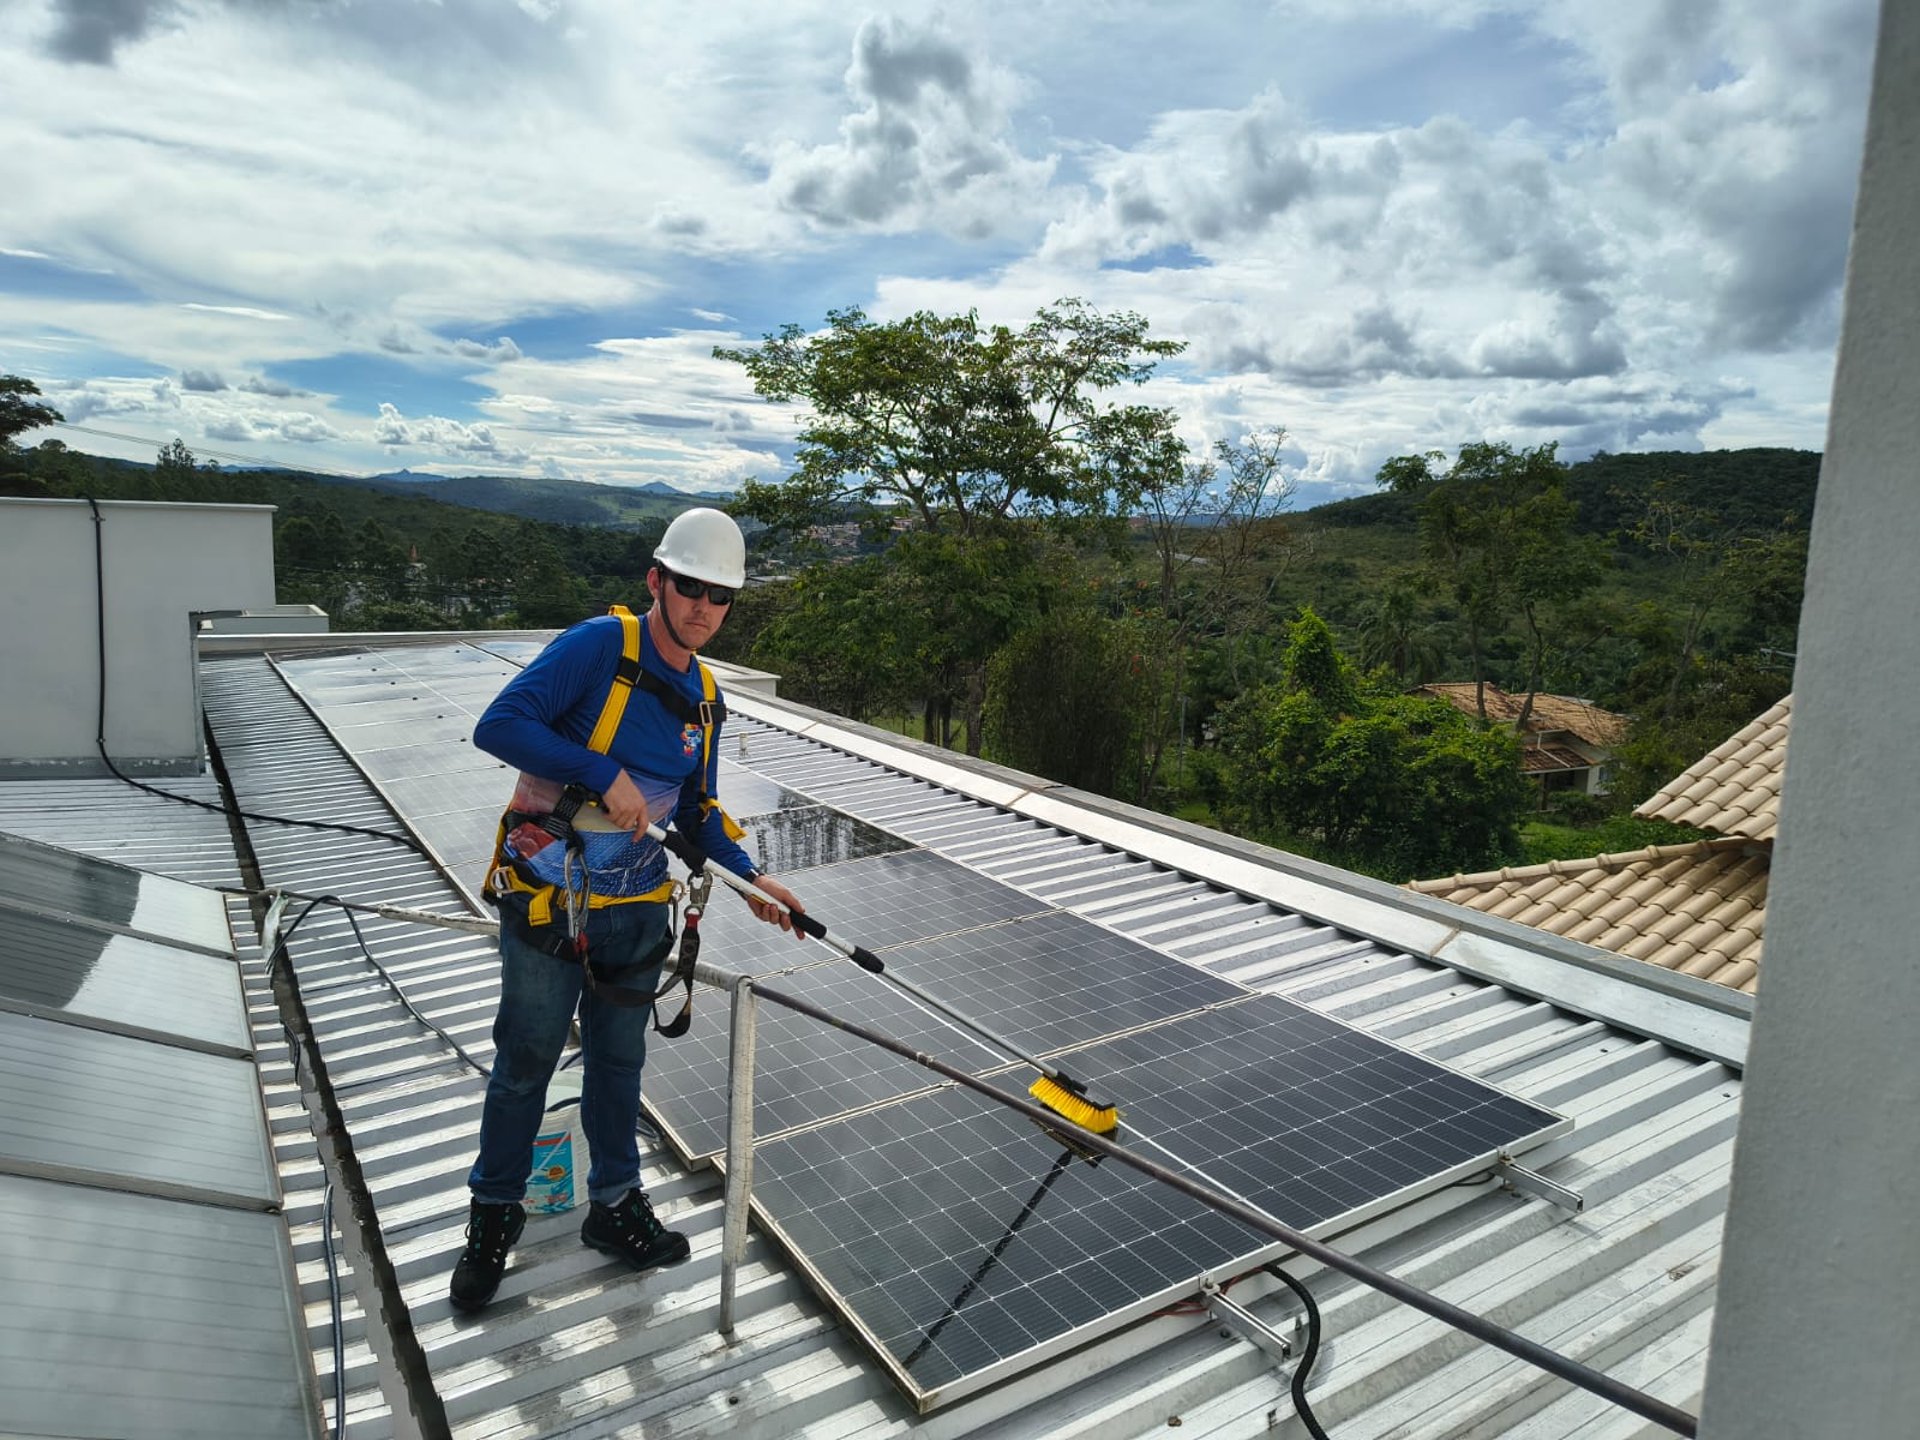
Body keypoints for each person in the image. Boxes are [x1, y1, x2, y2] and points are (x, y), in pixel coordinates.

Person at [449, 506, 806, 1313]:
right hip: (550, 902)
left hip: (637, 910)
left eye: (719, 598)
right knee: (524, 1067)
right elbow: (497, 725)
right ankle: (492, 1218)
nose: (701, 610)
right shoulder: (598, 648)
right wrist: (599, 773)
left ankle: (613, 1206)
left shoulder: (707, 697)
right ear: (657, 580)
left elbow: (698, 810)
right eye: (689, 588)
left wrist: (755, 881)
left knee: (620, 1067)